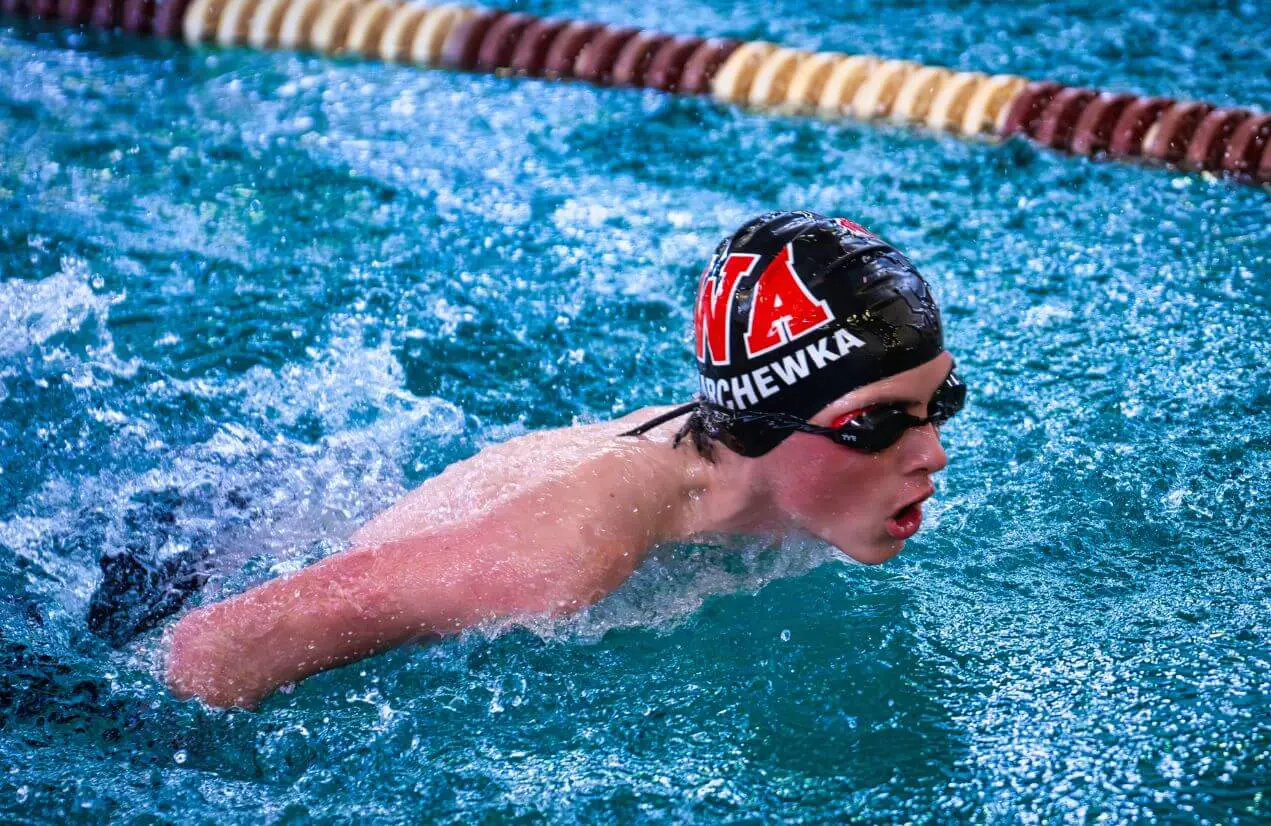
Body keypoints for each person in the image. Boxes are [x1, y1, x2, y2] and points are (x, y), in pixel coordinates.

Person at [163, 210, 965, 709]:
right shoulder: (574, 549)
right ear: (767, 419)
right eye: (874, 425)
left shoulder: (766, 480)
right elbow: (212, 650)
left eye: (943, 403)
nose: (930, 452)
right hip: (198, 552)